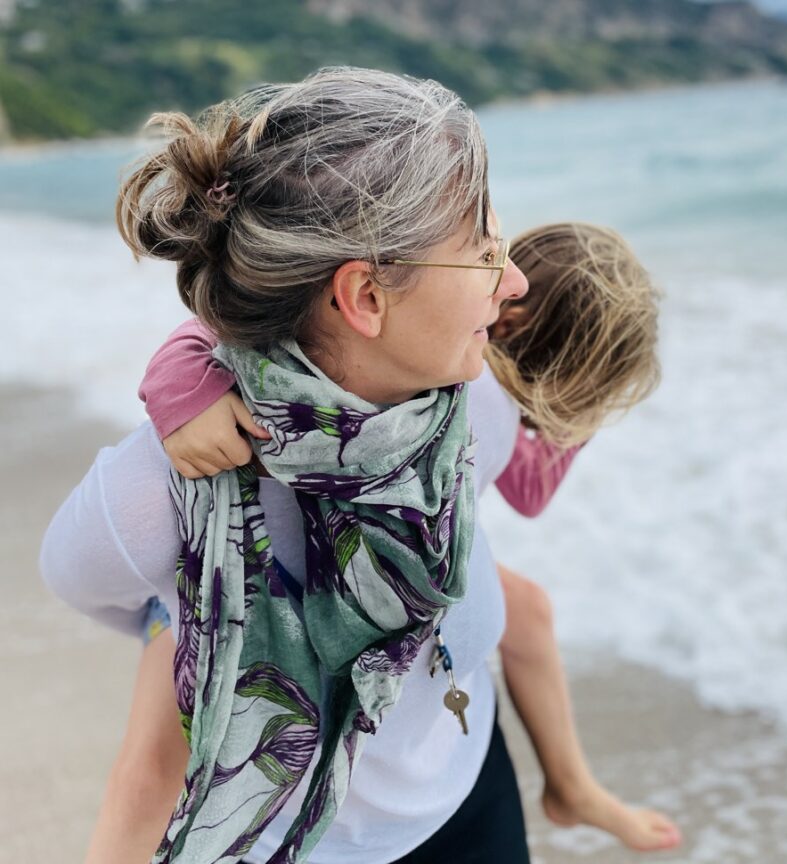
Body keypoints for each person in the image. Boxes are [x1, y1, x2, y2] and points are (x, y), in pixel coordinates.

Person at [40, 67, 532, 864]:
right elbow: (84, 582)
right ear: (365, 297)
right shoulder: (160, 490)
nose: (514, 282)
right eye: (482, 254)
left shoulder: (474, 403)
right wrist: (202, 608)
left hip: (473, 802)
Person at [89, 222, 681, 859]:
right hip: (228, 554)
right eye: (580, 392)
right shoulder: (445, 363)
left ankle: (571, 789)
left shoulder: (471, 370)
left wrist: (572, 419)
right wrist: (182, 387)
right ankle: (571, 788)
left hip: (396, 542)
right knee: (155, 762)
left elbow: (525, 487)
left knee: (527, 610)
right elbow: (225, 325)